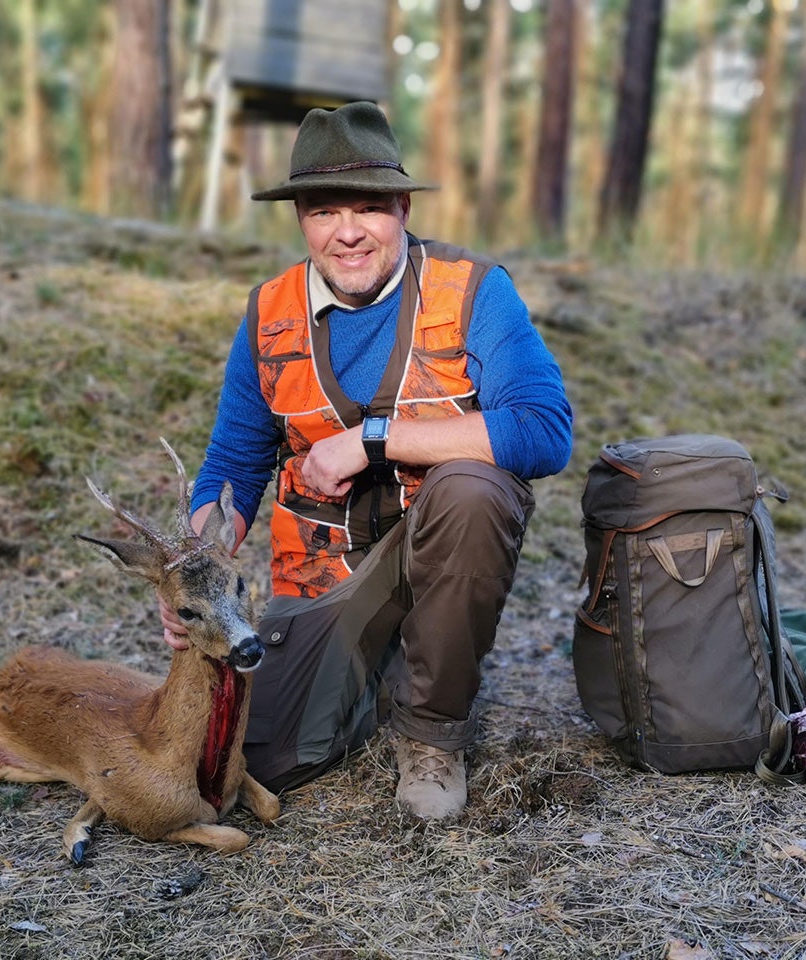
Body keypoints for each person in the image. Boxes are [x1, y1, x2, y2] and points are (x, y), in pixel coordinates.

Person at [159, 101, 572, 820]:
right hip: (323, 584)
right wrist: (197, 575)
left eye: (369, 207)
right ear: (300, 220)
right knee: (254, 764)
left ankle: (432, 729)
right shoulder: (269, 311)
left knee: (475, 488)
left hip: (438, 557)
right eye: (323, 211)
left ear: (403, 208)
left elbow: (542, 431)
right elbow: (234, 460)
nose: (347, 232)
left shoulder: (473, 291)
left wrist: (374, 438)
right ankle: (378, 677)